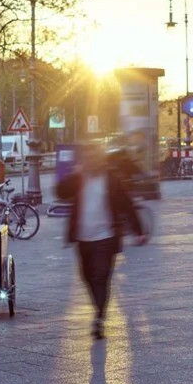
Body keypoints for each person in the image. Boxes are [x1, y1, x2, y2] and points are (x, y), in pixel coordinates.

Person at [56, 144, 146, 340]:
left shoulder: (112, 179)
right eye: (88, 158)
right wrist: (74, 174)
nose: (91, 161)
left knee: (101, 276)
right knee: (86, 276)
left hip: (106, 237)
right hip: (83, 237)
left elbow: (126, 204)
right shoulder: (79, 178)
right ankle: (98, 308)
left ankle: (99, 316)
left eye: (94, 158)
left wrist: (138, 230)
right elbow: (60, 192)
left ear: (101, 160)